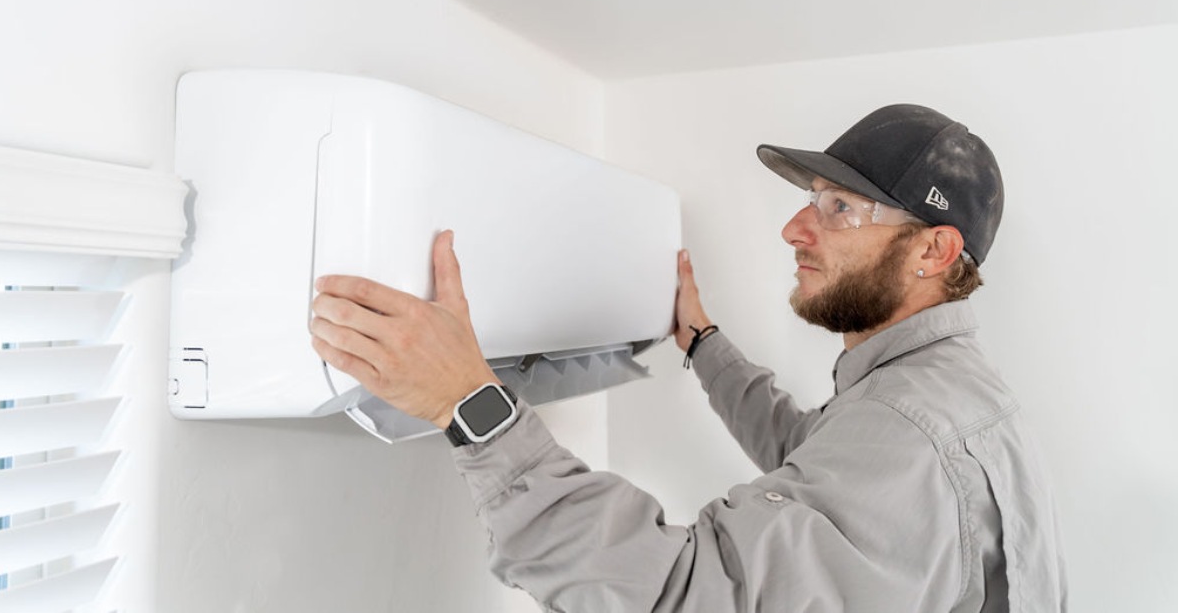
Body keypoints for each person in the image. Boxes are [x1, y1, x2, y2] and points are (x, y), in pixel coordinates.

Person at [310, 103, 1067, 612]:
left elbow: (679, 592)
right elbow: (814, 455)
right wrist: (703, 345)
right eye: (812, 198)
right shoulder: (937, 395)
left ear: (933, 250)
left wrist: (468, 401)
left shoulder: (911, 432)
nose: (796, 229)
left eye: (839, 208)